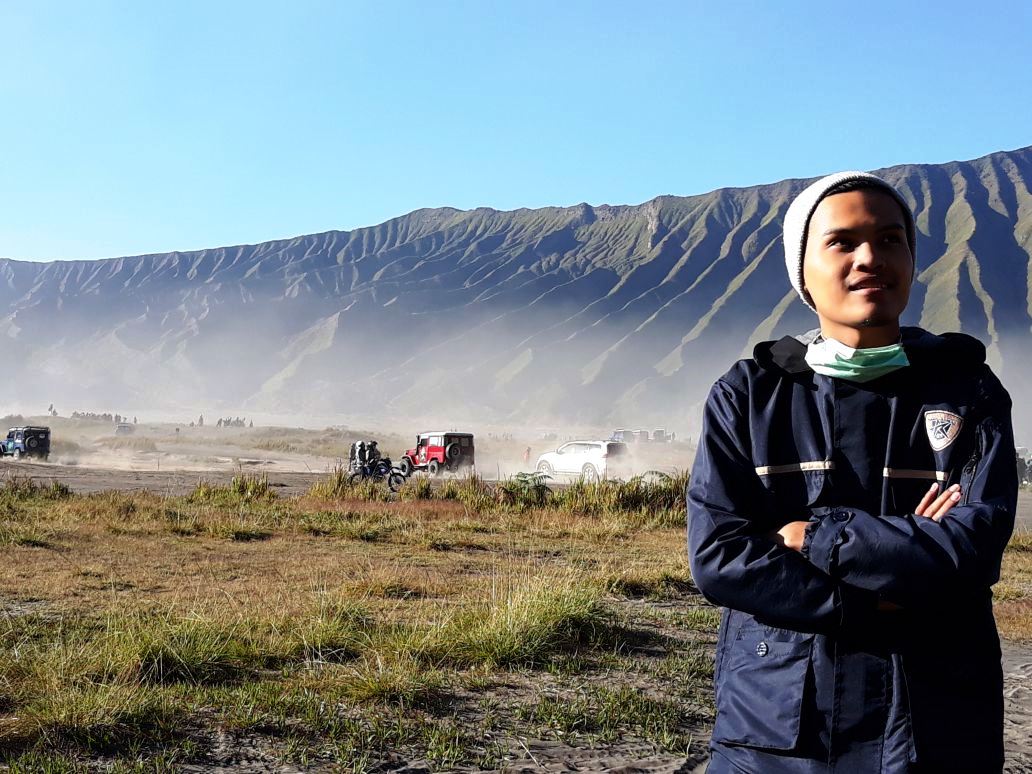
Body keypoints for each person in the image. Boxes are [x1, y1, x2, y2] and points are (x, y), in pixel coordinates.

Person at [687, 171, 1017, 772]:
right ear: (802, 269)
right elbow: (721, 558)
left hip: (935, 723)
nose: (870, 258)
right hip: (777, 730)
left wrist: (810, 537)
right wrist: (887, 585)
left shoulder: (968, 391)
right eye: (842, 242)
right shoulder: (750, 395)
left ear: (912, 261)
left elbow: (972, 548)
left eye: (891, 240)